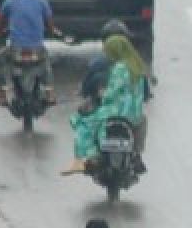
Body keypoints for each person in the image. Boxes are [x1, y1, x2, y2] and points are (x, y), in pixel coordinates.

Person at [62, 35, 148, 175]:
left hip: (117, 111)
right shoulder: (137, 67)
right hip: (134, 115)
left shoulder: (120, 68)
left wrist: (103, 95)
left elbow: (111, 93)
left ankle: (85, 158)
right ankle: (136, 155)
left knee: (81, 121)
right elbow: (143, 93)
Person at [0, 0, 60, 107]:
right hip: (37, 49)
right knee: (46, 63)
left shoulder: (9, 2)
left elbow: (0, 24)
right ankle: (50, 93)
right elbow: (50, 25)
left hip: (16, 49)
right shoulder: (42, 2)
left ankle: (2, 94)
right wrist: (55, 32)